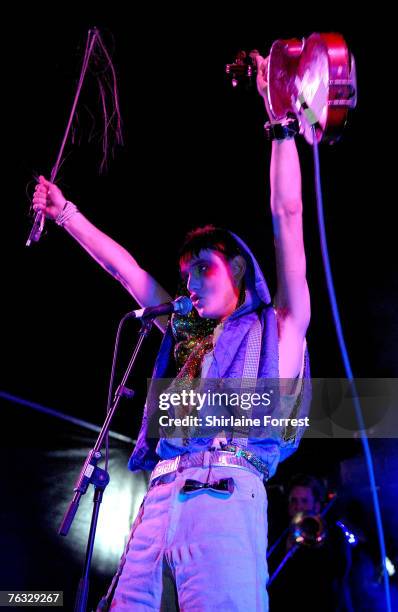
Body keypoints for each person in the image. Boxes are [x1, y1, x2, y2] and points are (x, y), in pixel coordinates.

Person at [32, 54, 311, 611]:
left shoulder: (278, 324)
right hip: (158, 499)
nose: (190, 280)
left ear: (238, 271)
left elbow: (288, 215)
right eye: (186, 272)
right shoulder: (183, 329)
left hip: (226, 496)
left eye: (204, 266)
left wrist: (280, 124)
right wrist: (66, 215)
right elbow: (126, 271)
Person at [268, 474, 353, 612]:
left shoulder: (333, 532)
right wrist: (286, 548)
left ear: (317, 506)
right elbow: (270, 577)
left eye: (304, 501)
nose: (298, 506)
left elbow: (341, 572)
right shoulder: (279, 533)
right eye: (293, 501)